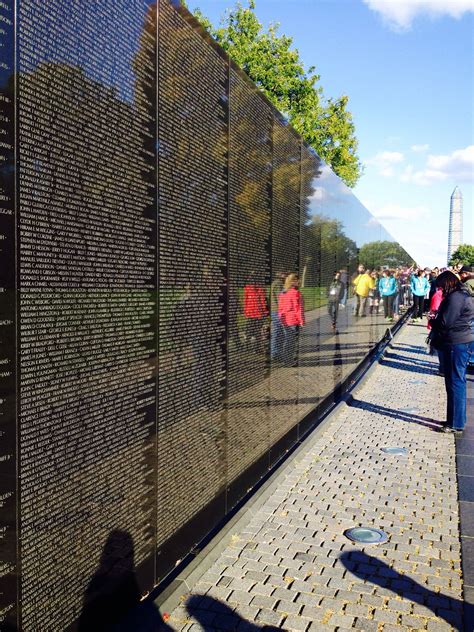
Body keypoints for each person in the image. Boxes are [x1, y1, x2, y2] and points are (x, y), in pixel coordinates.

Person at [431, 271, 474, 433]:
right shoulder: (462, 294)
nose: (441, 290)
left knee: (455, 381)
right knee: (456, 381)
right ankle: (455, 419)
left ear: (447, 283)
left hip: (456, 342)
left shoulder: (456, 297)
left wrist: (433, 321)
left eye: (442, 286)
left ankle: (455, 423)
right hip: (461, 340)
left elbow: (445, 322)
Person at [278, 273, 304, 366]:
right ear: (292, 282)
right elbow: (298, 309)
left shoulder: (283, 292)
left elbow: (280, 307)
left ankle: (286, 359)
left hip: (285, 319)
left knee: (287, 340)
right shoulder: (295, 293)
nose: (298, 282)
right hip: (293, 320)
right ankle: (288, 361)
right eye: (296, 280)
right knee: (291, 341)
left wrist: (281, 318)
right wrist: (301, 321)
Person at [243, 273, 268, 352]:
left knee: (249, 330)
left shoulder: (247, 288)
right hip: (258, 313)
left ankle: (247, 346)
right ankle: (256, 349)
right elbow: (263, 301)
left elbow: (245, 301)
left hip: (250, 312)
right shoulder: (260, 289)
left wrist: (245, 312)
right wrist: (265, 312)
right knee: (257, 331)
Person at [270, 271, 287, 361]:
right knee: (278, 332)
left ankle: (276, 352)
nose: (285, 276)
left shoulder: (277, 283)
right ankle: (275, 353)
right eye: (284, 274)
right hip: (277, 311)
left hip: (276, 311)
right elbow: (279, 299)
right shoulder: (278, 284)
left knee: (278, 332)